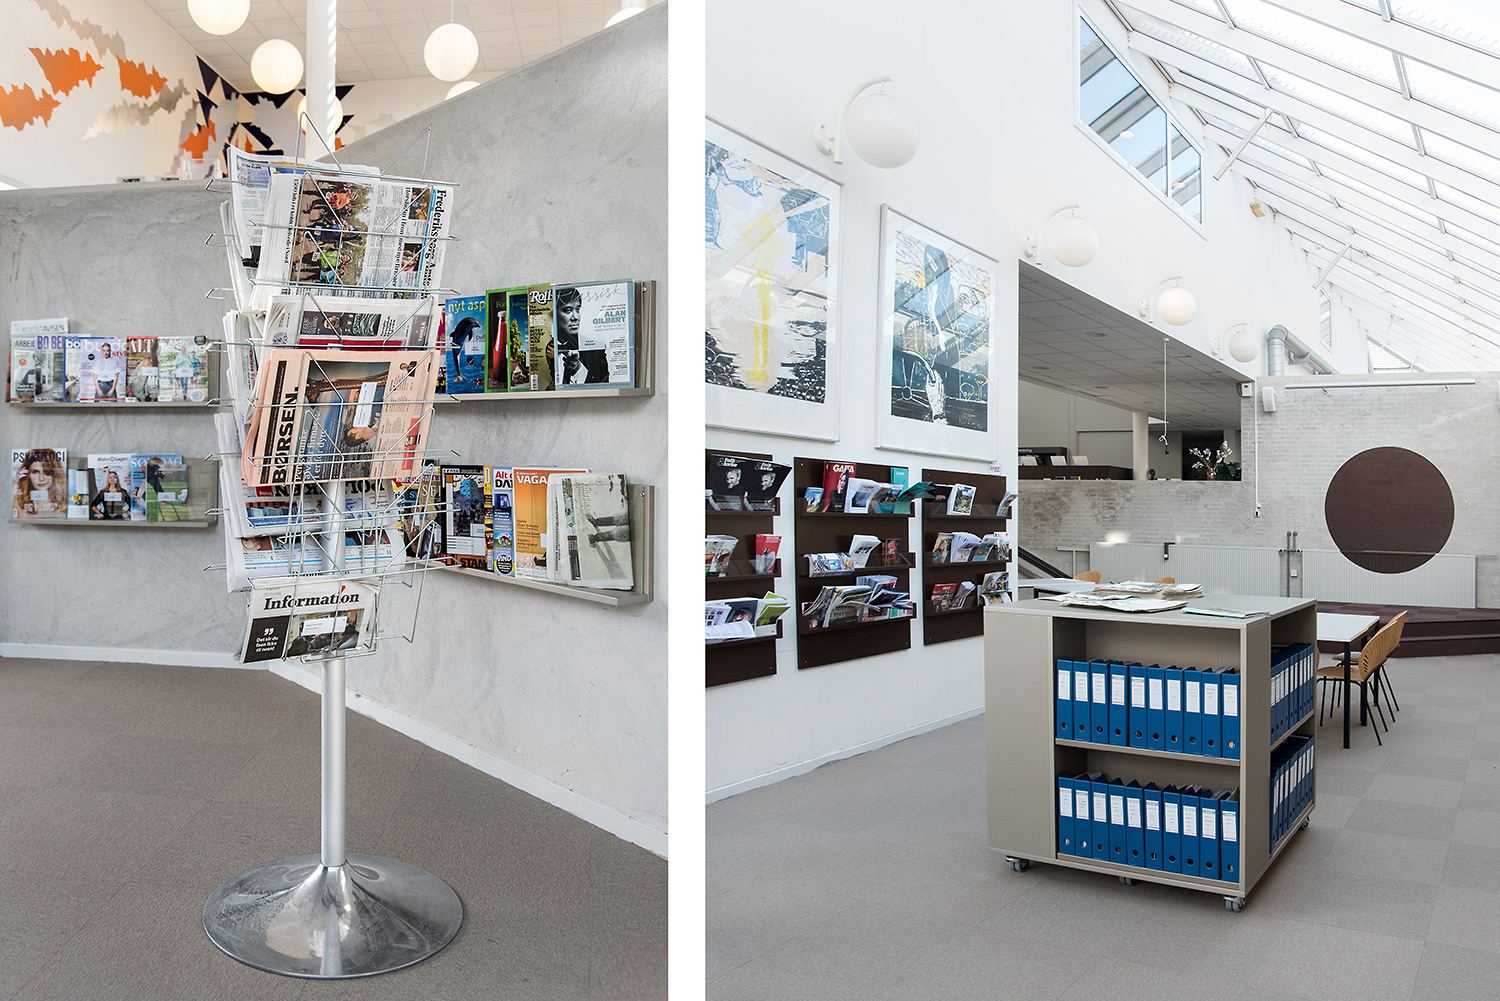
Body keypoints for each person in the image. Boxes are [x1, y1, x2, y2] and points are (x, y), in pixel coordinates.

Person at [11, 448, 66, 518]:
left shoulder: (64, 502)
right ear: (27, 474)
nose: (41, 479)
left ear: (55, 474)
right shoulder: (18, 503)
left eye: (46, 472)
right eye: (35, 472)